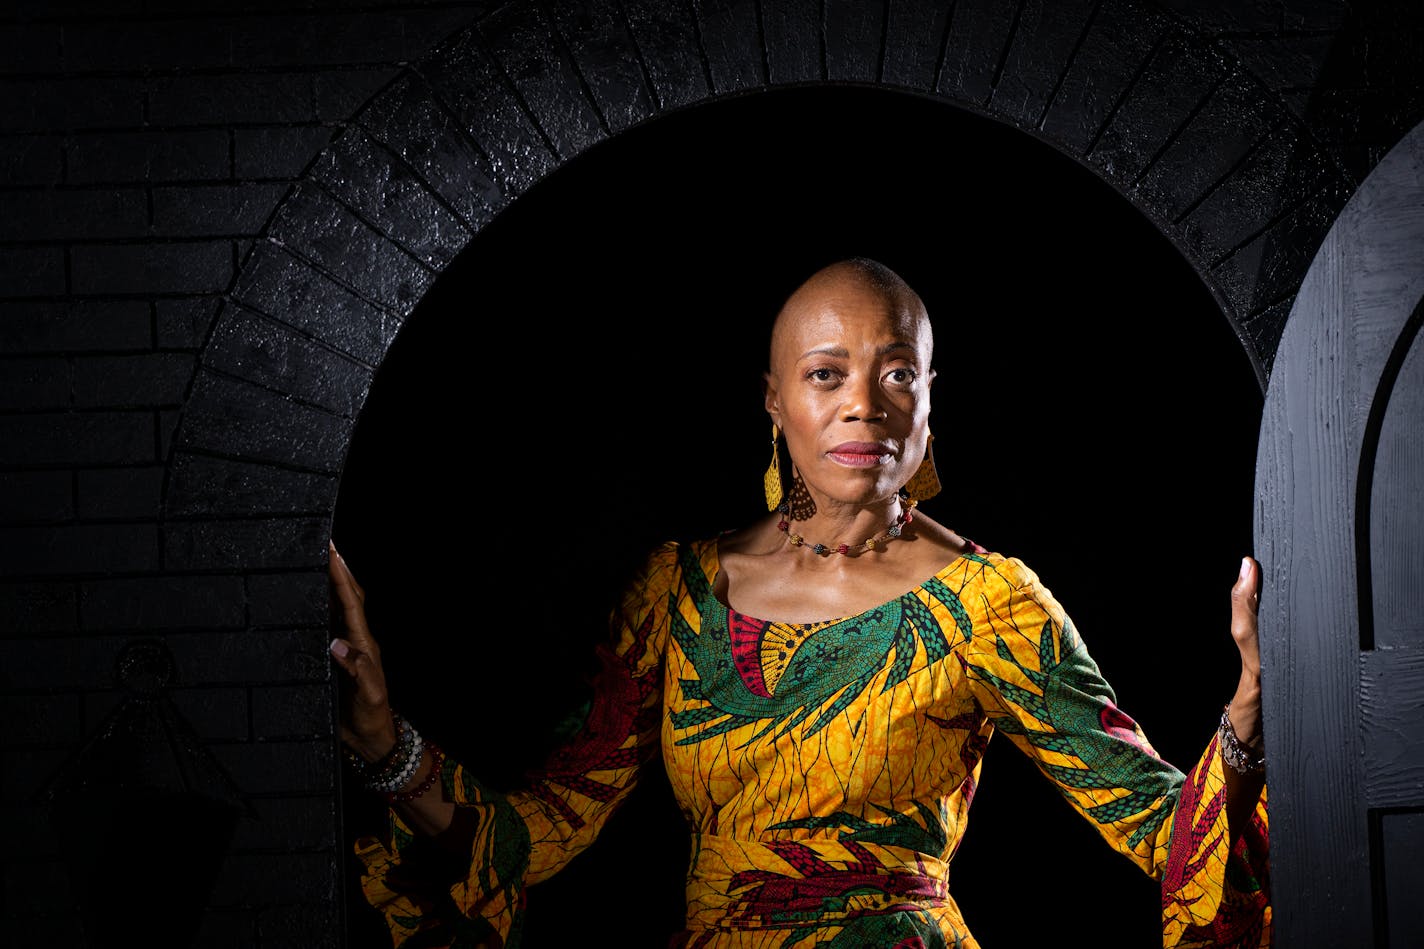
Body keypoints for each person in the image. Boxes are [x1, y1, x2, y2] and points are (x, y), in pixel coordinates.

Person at [327, 257, 1270, 948]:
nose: (866, 403)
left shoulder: (991, 601)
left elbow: (1160, 827)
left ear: (930, 398)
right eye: (827, 374)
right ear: (775, 401)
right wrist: (380, 742)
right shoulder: (676, 591)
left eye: (897, 371)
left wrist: (1244, 717)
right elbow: (539, 836)